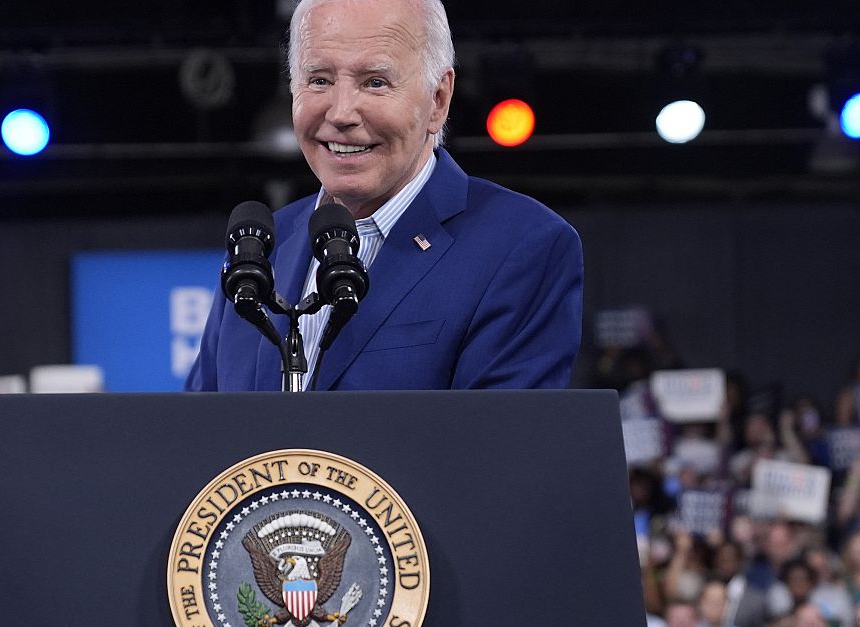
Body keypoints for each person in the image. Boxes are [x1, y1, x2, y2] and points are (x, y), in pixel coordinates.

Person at [185, 0, 582, 392]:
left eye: (375, 82)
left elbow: (502, 434)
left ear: (438, 100)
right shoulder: (261, 249)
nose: (341, 113)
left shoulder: (524, 246)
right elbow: (200, 428)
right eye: (319, 80)